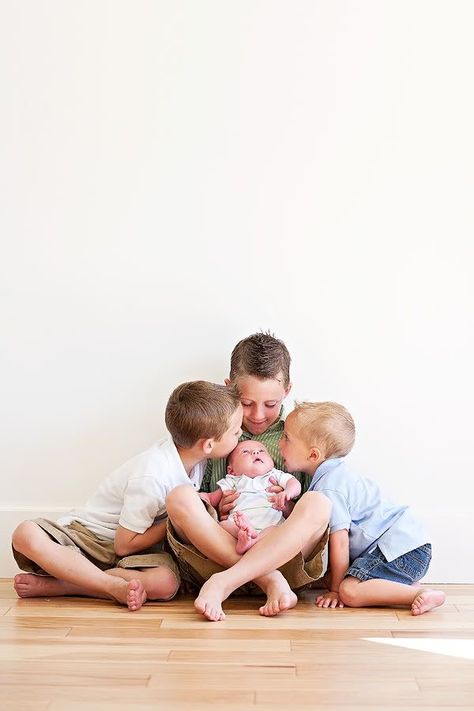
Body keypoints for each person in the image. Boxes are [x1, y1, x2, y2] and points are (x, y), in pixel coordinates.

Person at [11, 381, 243, 612]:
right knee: (25, 534)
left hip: (135, 556)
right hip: (93, 540)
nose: (240, 434)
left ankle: (66, 584)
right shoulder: (153, 475)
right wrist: (177, 518)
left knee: (166, 584)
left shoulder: (196, 462)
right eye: (235, 431)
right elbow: (124, 545)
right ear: (208, 445)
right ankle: (109, 585)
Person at [166, 332, 331, 621]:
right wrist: (216, 508)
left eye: (270, 404)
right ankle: (268, 580)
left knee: (319, 503)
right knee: (179, 497)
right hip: (223, 549)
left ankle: (226, 583)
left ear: (288, 390)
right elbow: (203, 497)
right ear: (229, 389)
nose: (256, 415)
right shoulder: (215, 427)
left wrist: (288, 505)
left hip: (282, 553)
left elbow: (305, 505)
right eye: (246, 402)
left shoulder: (300, 430)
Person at [280, 401, 446, 615]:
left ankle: (418, 595)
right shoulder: (335, 476)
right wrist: (287, 509)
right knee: (329, 575)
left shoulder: (329, 487)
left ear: (313, 455)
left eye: (286, 438)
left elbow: (339, 542)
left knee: (349, 591)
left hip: (400, 549)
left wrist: (336, 591)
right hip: (408, 547)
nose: (280, 443)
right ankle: (401, 589)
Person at [201, 440, 301, 554]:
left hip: (271, 525)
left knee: (276, 530)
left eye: (262, 451)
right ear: (231, 470)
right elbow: (211, 498)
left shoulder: (274, 475)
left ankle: (252, 541)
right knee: (223, 525)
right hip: (239, 526)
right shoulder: (232, 480)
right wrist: (198, 496)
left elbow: (294, 483)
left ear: (272, 462)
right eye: (245, 452)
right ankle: (244, 536)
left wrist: (288, 492)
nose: (255, 453)